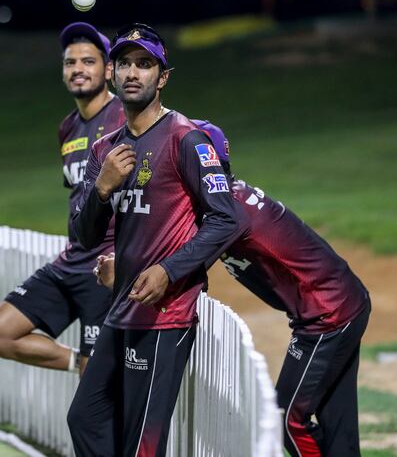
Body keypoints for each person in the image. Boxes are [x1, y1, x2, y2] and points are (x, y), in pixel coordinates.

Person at [96, 120, 371, 457]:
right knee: (338, 431)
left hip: (329, 314)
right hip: (334, 306)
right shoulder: (226, 202)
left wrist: (120, 280)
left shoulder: (223, 217)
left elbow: (174, 277)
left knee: (288, 420)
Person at [66, 23, 248, 457]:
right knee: (85, 417)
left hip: (165, 314)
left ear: (162, 77)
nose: (133, 73)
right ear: (112, 73)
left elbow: (226, 221)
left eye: (144, 65)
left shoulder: (186, 138)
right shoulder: (105, 149)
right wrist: (102, 189)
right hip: (123, 306)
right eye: (125, 64)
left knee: (142, 443)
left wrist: (170, 270)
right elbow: (83, 235)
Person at [0, 22, 126, 375]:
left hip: (105, 267)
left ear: (107, 70)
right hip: (71, 261)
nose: (78, 69)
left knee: (98, 400)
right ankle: (81, 363)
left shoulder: (125, 116)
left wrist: (127, 257)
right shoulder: (68, 127)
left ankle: (93, 371)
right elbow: (79, 194)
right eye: (70, 62)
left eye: (88, 61)